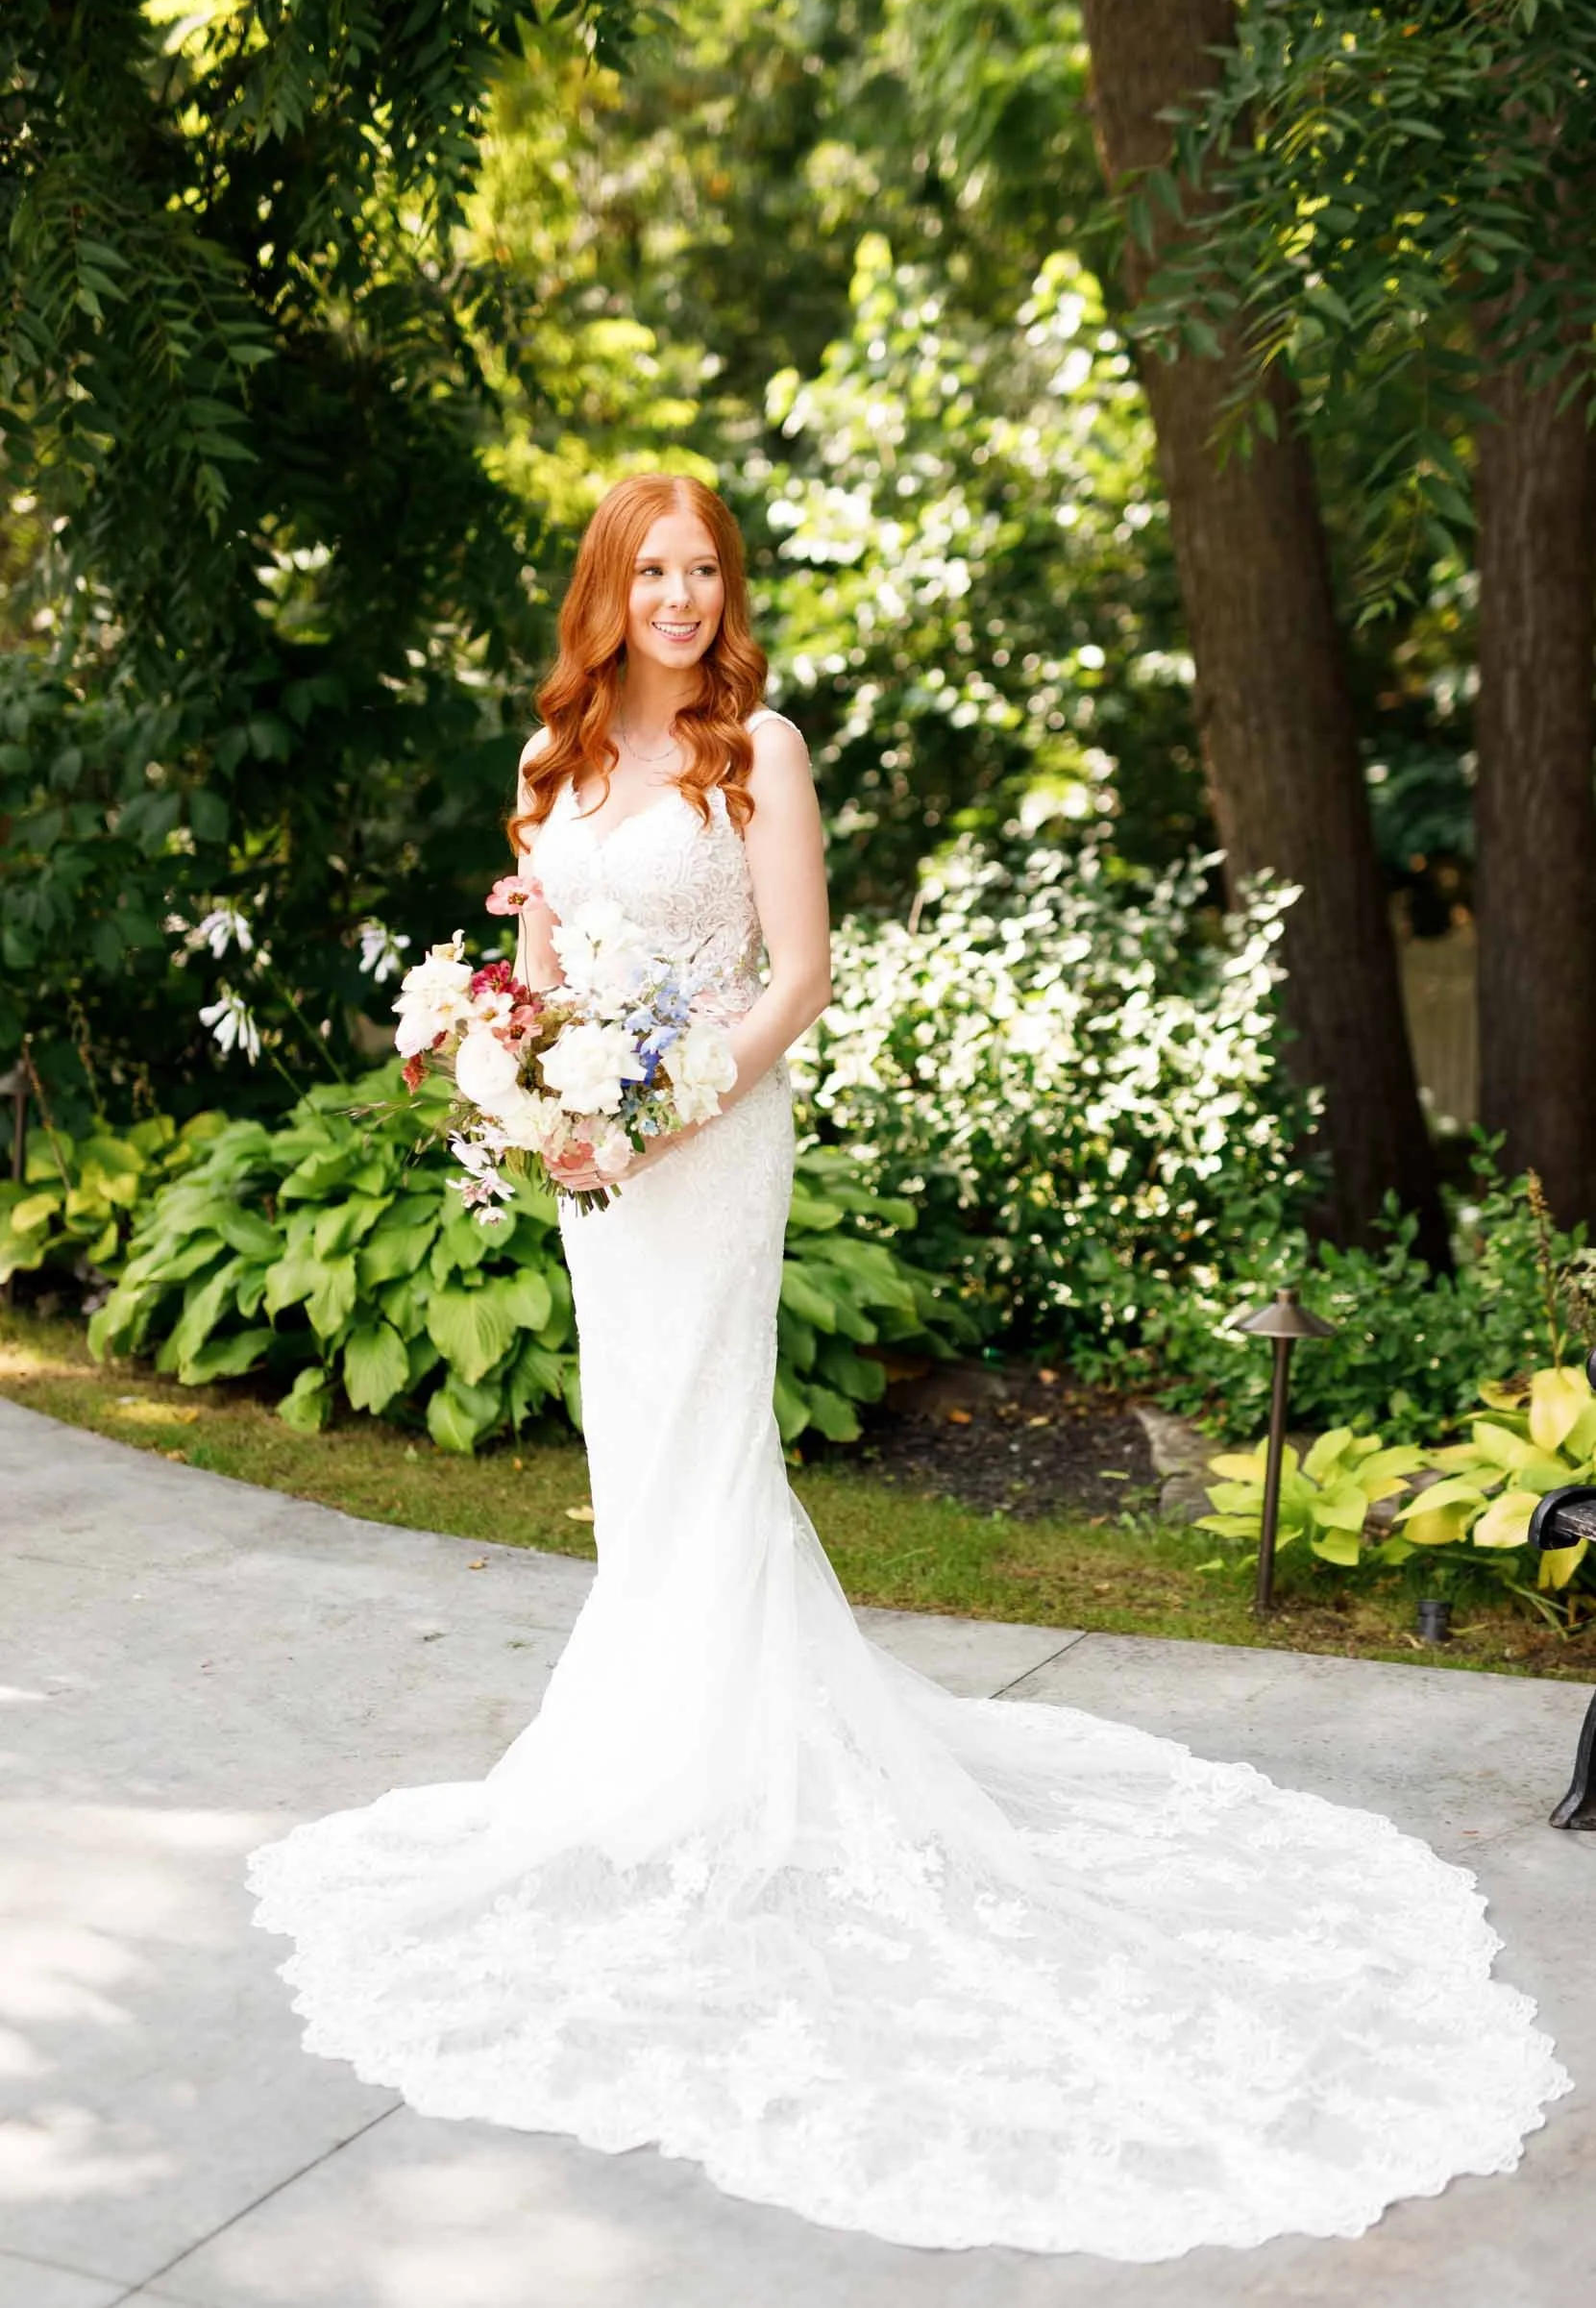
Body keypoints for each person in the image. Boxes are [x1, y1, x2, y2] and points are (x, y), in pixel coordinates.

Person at [248, 474, 1568, 2260]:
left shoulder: (759, 750)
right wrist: (531, 1084)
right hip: (592, 1167)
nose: (682, 596)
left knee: (709, 1442)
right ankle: (651, 1738)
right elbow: (538, 963)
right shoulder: (559, 763)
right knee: (638, 1449)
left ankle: (703, 1773)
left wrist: (658, 1108)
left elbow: (800, 975)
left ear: (729, 589)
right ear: (605, 590)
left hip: (709, 1146)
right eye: (652, 571)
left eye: (704, 569)